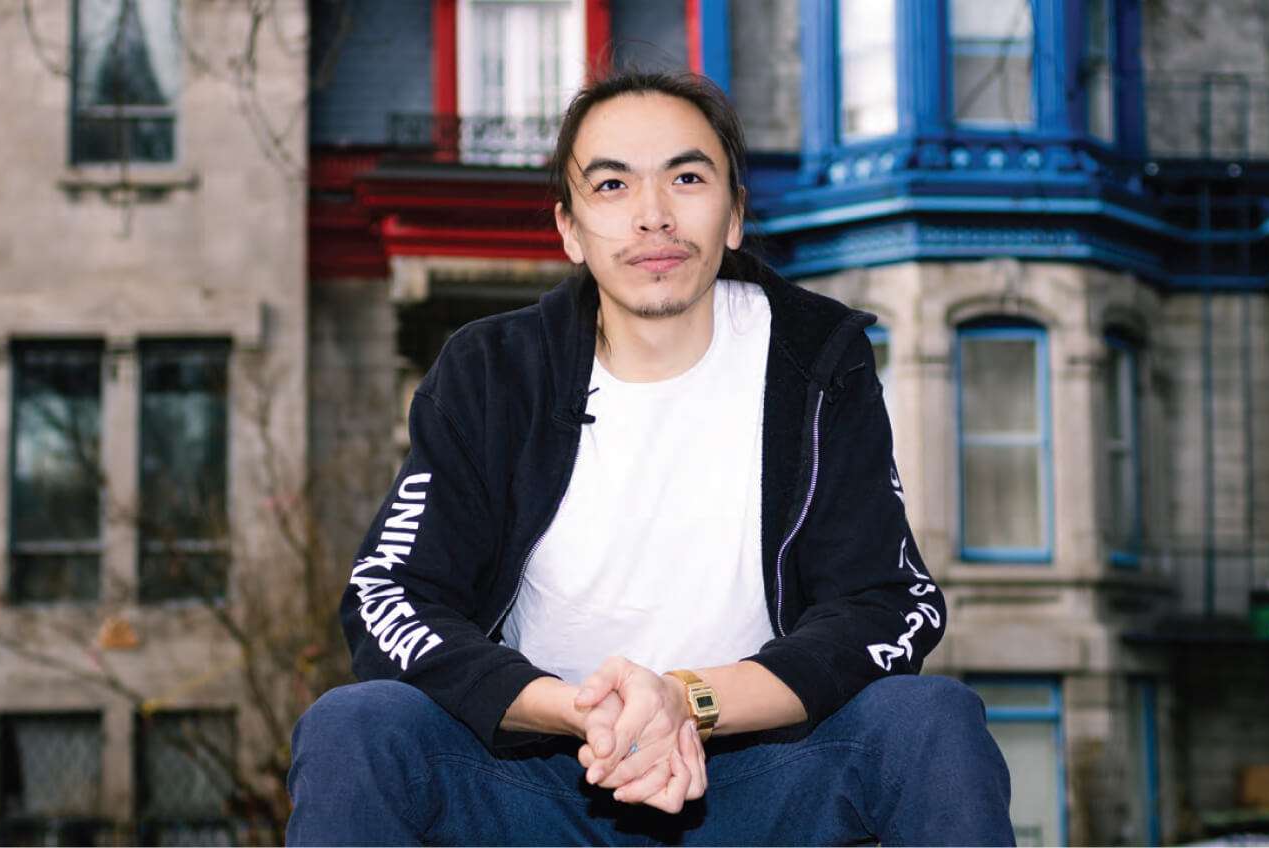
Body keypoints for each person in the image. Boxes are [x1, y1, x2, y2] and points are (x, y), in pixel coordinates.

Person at [286, 71, 1013, 846]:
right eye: (611, 185)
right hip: (539, 780)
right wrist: (571, 709)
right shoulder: (493, 371)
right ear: (568, 228)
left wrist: (684, 700)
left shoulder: (817, 361)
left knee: (928, 720)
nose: (653, 216)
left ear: (734, 214)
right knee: (358, 725)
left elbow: (888, 605)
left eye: (687, 177)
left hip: (761, 780)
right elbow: (389, 595)